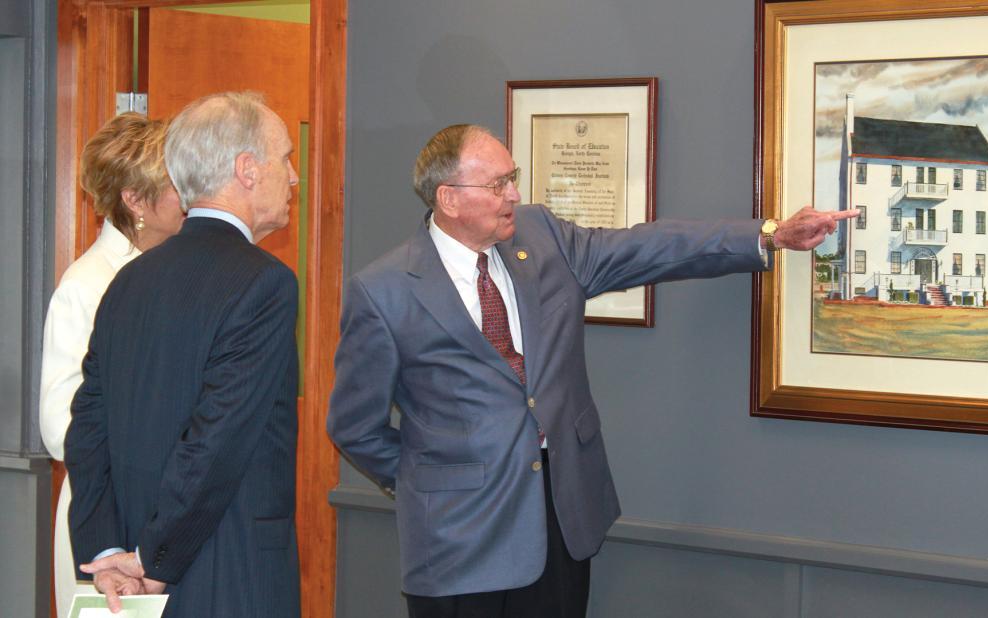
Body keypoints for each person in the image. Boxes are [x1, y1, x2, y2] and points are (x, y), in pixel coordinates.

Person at [326, 124, 856, 618]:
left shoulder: (542, 236)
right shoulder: (384, 291)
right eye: (498, 184)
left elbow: (648, 247)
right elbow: (354, 424)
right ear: (449, 198)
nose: (514, 194)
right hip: (458, 545)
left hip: (561, 522)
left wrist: (769, 235)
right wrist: (433, 481)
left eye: (512, 179)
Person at [64, 91, 301, 617]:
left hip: (129, 579)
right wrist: (152, 560)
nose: (293, 177)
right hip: (228, 571)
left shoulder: (128, 280)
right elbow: (215, 438)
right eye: (284, 158)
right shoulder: (265, 283)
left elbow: (87, 428)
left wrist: (106, 552)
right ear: (246, 169)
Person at [40, 112, 183, 614]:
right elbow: (60, 426)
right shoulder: (85, 285)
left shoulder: (178, 274)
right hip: (106, 515)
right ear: (136, 200)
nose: (189, 194)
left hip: (169, 517)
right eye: (174, 182)